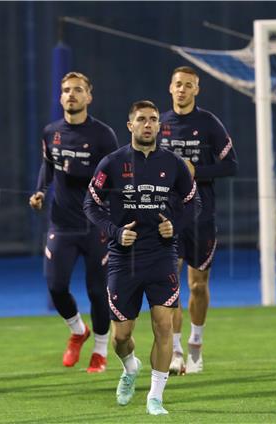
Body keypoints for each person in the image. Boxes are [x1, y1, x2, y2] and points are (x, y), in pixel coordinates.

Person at [84, 100, 197, 415]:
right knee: (122, 336)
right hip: (124, 259)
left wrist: (175, 226)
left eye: (153, 119)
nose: (148, 124)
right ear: (130, 125)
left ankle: (155, 396)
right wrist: (115, 231)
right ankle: (130, 367)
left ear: (159, 126)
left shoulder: (173, 164)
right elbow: (90, 205)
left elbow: (192, 203)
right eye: (141, 119)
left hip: (162, 255)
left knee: (163, 324)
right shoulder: (111, 163)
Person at [28, 72, 119, 373]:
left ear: (89, 97)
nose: (71, 95)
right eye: (66, 90)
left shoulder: (103, 135)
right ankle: (78, 331)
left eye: (78, 90)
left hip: (95, 225)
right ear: (60, 97)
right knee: (55, 287)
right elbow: (48, 166)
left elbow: (114, 178)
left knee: (97, 292)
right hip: (62, 224)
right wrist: (41, 190)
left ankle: (101, 351)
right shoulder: (51, 132)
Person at [159, 66, 238, 375]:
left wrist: (197, 171)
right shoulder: (160, 125)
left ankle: (196, 345)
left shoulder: (208, 124)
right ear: (170, 87)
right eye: (178, 84)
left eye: (188, 85)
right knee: (170, 285)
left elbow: (230, 165)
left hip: (201, 216)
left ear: (196, 90)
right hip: (167, 218)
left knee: (198, 284)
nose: (182, 89)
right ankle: (176, 352)